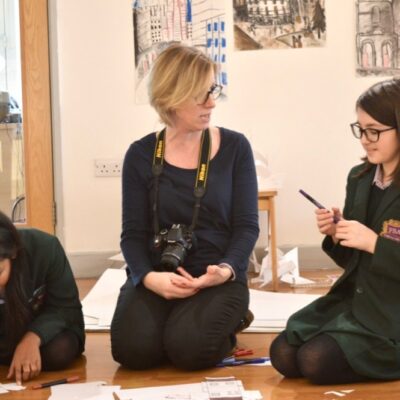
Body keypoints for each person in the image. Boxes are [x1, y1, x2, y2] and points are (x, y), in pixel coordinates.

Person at [111, 43, 259, 370]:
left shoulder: (235, 147)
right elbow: (132, 235)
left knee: (189, 351)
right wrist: (148, 279)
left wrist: (224, 271)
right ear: (171, 97)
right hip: (158, 272)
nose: (211, 102)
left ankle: (222, 322)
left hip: (215, 274)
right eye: (199, 95)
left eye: (212, 90)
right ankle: (181, 323)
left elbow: (247, 226)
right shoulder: (140, 154)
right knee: (132, 352)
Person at [270, 78, 400, 385]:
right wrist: (335, 233)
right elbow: (352, 262)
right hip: (355, 298)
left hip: (391, 308)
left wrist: (373, 243)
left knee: (315, 360)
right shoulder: (359, 176)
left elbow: (373, 250)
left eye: (375, 131)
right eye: (360, 129)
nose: (366, 140)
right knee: (283, 354)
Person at [0, 211, 85, 384]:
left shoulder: (44, 248)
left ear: (13, 253)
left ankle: (21, 353)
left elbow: (66, 307)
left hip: (36, 325)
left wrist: (33, 337)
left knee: (59, 350)